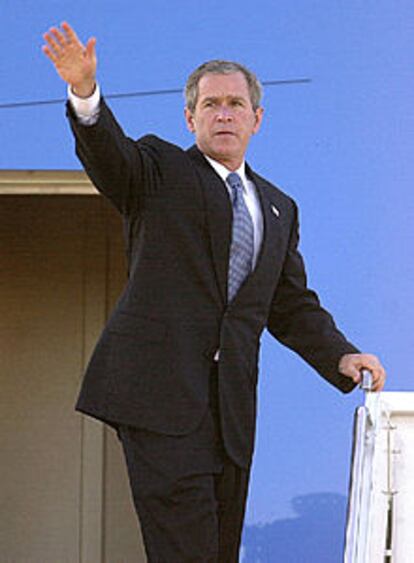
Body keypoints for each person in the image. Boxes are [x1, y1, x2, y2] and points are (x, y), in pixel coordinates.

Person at [42, 22, 386, 563]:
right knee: (187, 548)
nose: (223, 113)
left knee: (218, 550)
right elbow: (112, 159)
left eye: (234, 104)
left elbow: (289, 303)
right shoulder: (159, 170)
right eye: (210, 104)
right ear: (190, 117)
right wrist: (85, 95)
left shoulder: (277, 205)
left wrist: (340, 354)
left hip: (229, 414)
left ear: (257, 119)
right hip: (159, 398)